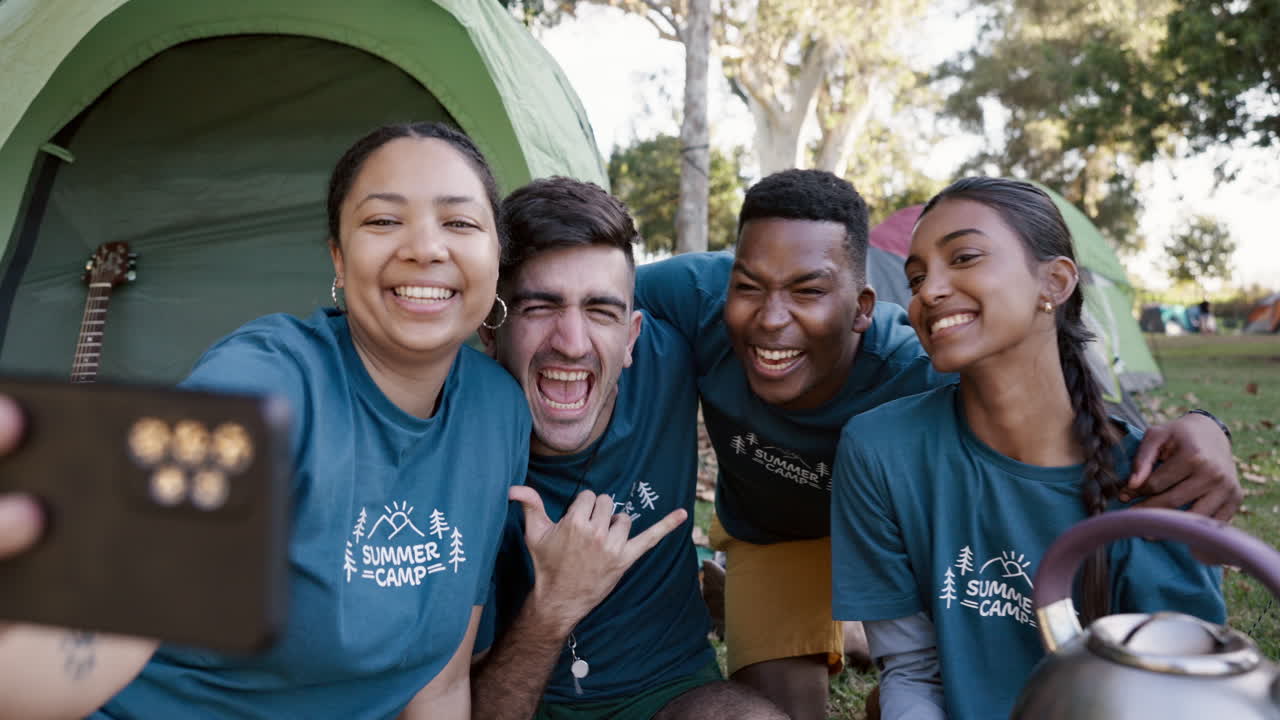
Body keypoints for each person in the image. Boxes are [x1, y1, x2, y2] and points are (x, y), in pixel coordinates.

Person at [634, 169, 1240, 720]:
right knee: (778, 711)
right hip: (776, 535)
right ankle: (814, 616)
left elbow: (1069, 401)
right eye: (918, 277)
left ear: (863, 307)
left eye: (808, 290)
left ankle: (854, 625)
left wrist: (1207, 426)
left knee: (918, 681)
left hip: (893, 530)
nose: (771, 318)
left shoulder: (927, 369)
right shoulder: (701, 294)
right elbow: (591, 296)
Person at [0, 121, 530, 719]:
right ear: (338, 257)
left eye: (460, 223)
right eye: (383, 221)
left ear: (496, 256)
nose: (425, 248)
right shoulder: (269, 380)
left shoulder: (498, 412)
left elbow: (438, 682)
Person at [830, 177, 1226, 719]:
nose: (928, 292)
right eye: (916, 277)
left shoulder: (1156, 482)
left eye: (964, 257)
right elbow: (912, 670)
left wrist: (1208, 426)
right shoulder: (879, 451)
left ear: (1055, 282)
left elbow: (1179, 697)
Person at [472, 177, 785, 720]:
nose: (572, 343)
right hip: (520, 694)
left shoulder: (677, 348)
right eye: (541, 306)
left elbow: (813, 298)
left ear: (633, 336)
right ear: (489, 328)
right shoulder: (455, 435)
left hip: (668, 688)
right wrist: (554, 604)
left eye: (601, 310)